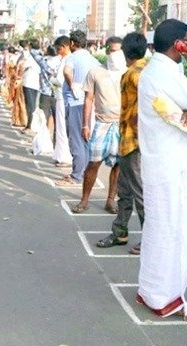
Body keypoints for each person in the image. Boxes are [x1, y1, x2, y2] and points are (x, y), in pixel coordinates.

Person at [135, 19, 187, 321]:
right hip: (172, 163)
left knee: (160, 228)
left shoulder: (156, 71)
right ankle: (167, 298)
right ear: (179, 45)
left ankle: (151, 290)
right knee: (174, 232)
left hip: (162, 161)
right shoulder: (167, 72)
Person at [95, 32, 148, 255]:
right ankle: (120, 231)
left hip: (134, 141)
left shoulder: (134, 74)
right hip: (131, 139)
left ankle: (150, 239)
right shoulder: (146, 70)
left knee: (138, 192)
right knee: (126, 190)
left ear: (126, 53)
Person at [71, 37, 122, 215]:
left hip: (121, 124)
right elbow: (89, 99)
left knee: (118, 165)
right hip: (102, 123)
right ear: (107, 51)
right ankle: (84, 200)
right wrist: (85, 125)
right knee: (93, 163)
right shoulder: (95, 72)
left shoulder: (128, 72)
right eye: (113, 50)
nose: (116, 54)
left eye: (119, 51)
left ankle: (110, 200)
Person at [56, 30, 100, 187]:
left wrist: (72, 84)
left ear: (72, 44)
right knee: (85, 138)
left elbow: (66, 71)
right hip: (89, 103)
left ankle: (76, 176)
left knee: (76, 140)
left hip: (75, 103)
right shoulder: (93, 60)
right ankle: (84, 173)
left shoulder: (72, 57)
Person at [50, 36, 73, 167]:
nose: (58, 50)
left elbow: (59, 81)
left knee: (63, 128)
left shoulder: (68, 60)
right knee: (60, 128)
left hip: (63, 97)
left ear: (65, 47)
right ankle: (60, 155)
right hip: (59, 96)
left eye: (59, 48)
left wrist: (51, 80)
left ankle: (65, 157)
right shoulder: (63, 59)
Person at [21, 39, 42, 134]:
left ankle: (30, 125)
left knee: (30, 105)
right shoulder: (41, 55)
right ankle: (31, 124)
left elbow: (23, 66)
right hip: (37, 84)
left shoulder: (31, 56)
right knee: (33, 104)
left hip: (29, 82)